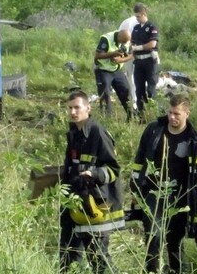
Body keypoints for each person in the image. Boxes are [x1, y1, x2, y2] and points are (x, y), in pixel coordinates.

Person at [130, 93, 197, 273]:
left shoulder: (195, 141)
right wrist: (135, 190)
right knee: (153, 236)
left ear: (187, 113)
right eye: (170, 112)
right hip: (153, 194)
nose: (172, 117)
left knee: (175, 242)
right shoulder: (154, 131)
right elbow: (139, 161)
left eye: (177, 114)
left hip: (180, 198)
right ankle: (152, 270)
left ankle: (177, 270)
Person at [59, 90, 125, 273]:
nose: (73, 112)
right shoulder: (74, 132)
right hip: (75, 203)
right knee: (68, 256)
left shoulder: (97, 132)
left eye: (77, 107)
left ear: (88, 108)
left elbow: (114, 169)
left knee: (98, 258)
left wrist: (95, 173)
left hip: (97, 205)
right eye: (70, 108)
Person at [93, 28, 133, 120]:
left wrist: (121, 60)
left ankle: (132, 117)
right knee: (105, 95)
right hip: (103, 70)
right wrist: (112, 54)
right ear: (119, 36)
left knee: (126, 91)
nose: (123, 44)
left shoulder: (127, 41)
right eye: (122, 42)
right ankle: (107, 119)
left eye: (125, 42)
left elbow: (131, 55)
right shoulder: (106, 38)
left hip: (117, 70)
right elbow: (97, 55)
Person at [130, 3, 159, 114]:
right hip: (138, 61)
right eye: (136, 17)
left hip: (149, 60)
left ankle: (152, 112)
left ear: (143, 14)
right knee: (139, 89)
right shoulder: (136, 28)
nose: (137, 19)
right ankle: (141, 113)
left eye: (138, 16)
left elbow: (152, 44)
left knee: (151, 88)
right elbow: (131, 44)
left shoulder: (151, 26)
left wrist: (138, 47)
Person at [118, 7, 141, 109]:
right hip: (131, 53)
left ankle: (137, 101)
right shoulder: (129, 23)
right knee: (132, 77)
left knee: (133, 77)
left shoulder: (127, 22)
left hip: (138, 53)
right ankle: (135, 102)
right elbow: (122, 39)